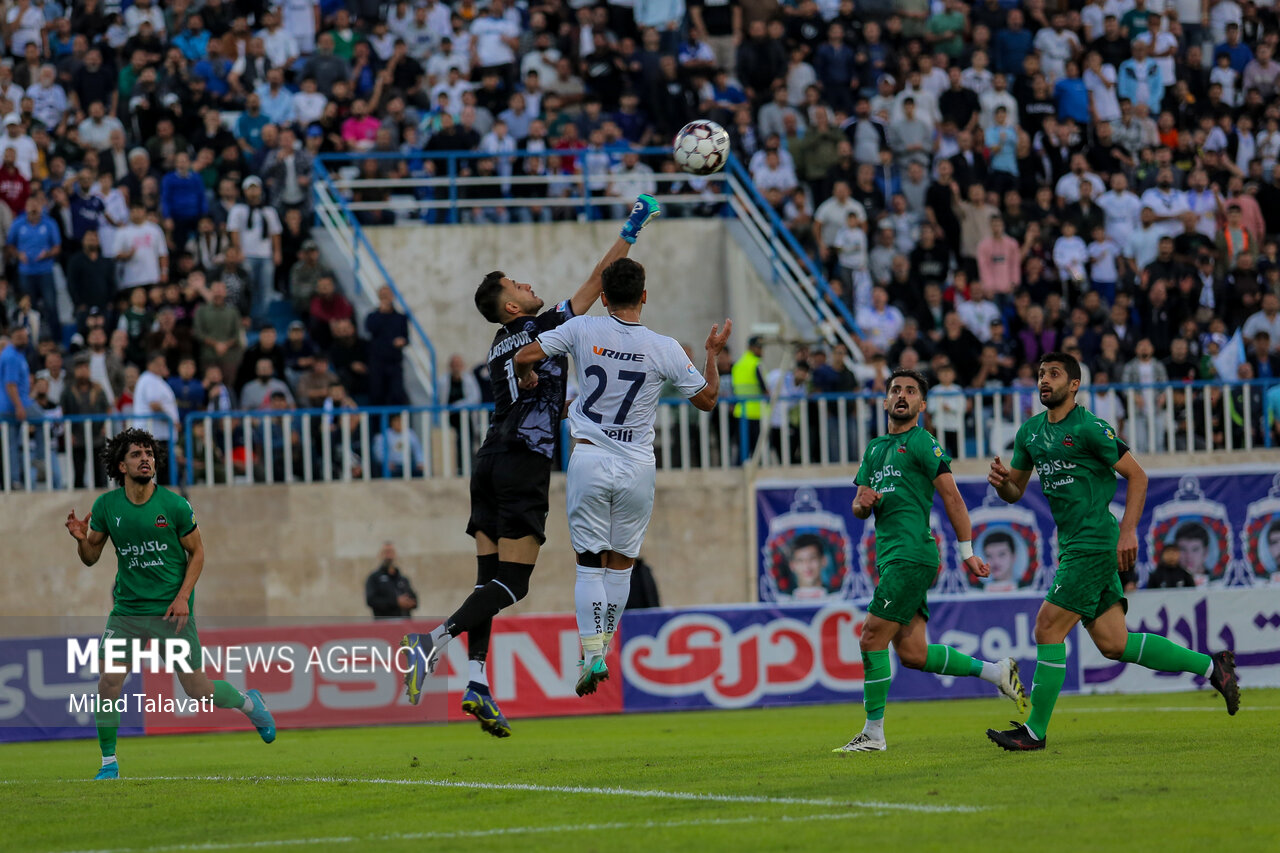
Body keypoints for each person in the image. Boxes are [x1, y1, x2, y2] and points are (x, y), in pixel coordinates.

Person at [401, 194, 661, 737]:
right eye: (516, 285)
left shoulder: (500, 346)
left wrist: (564, 405)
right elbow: (598, 279)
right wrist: (632, 229)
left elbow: (534, 396)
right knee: (515, 585)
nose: (526, 283)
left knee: (487, 581)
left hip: (488, 459)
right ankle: (430, 643)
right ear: (513, 309)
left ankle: (476, 682)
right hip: (522, 463)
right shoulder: (541, 328)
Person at [984, 351, 1239, 751]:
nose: (1044, 380)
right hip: (1073, 546)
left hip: (1094, 544)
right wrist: (1003, 484)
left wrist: (1128, 531)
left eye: (1054, 374)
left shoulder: (1090, 428)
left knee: (1047, 627)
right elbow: (1015, 491)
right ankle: (1213, 666)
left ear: (1074, 385)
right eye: (1041, 374)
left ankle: (1034, 732)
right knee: (1114, 643)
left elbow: (1138, 475)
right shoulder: (1029, 433)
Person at [512, 255, 729, 696]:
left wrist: (529, 373)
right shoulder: (664, 346)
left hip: (590, 459)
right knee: (621, 565)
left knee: (589, 565)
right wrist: (711, 355)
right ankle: (601, 651)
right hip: (637, 466)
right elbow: (707, 400)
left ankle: (591, 653)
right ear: (644, 296)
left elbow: (524, 355)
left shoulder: (582, 328)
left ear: (604, 298)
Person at [64, 428, 277, 781]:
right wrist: (80, 540)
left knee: (198, 691)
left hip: (171, 611)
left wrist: (182, 598)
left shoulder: (174, 505)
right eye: (136, 454)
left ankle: (250, 703)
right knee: (109, 682)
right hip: (128, 611)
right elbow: (90, 558)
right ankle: (108, 763)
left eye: (149, 453)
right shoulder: (106, 506)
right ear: (121, 465)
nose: (145, 458)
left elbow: (198, 553)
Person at [835, 368, 1028, 754]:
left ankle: (873, 734)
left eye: (910, 391)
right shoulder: (874, 449)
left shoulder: (923, 442)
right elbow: (859, 505)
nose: (901, 395)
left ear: (922, 405)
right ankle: (997, 672)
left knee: (871, 636)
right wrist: (862, 503)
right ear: (885, 401)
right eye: (896, 390)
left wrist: (967, 553)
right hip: (891, 558)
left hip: (911, 555)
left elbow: (952, 498)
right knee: (913, 654)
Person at [130, 352, 180, 484]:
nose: (161, 367)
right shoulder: (149, 380)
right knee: (160, 473)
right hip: (154, 434)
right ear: (150, 365)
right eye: (158, 364)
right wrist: (172, 419)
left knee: (163, 471)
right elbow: (154, 404)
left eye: (163, 364)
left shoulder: (156, 380)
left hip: (160, 434)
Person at [365, 541, 418, 619]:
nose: (389, 556)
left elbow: (414, 599)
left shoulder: (403, 579)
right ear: (380, 555)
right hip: (384, 622)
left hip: (405, 621)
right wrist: (395, 602)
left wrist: (410, 602)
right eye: (386, 552)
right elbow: (371, 600)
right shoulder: (374, 578)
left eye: (391, 552)